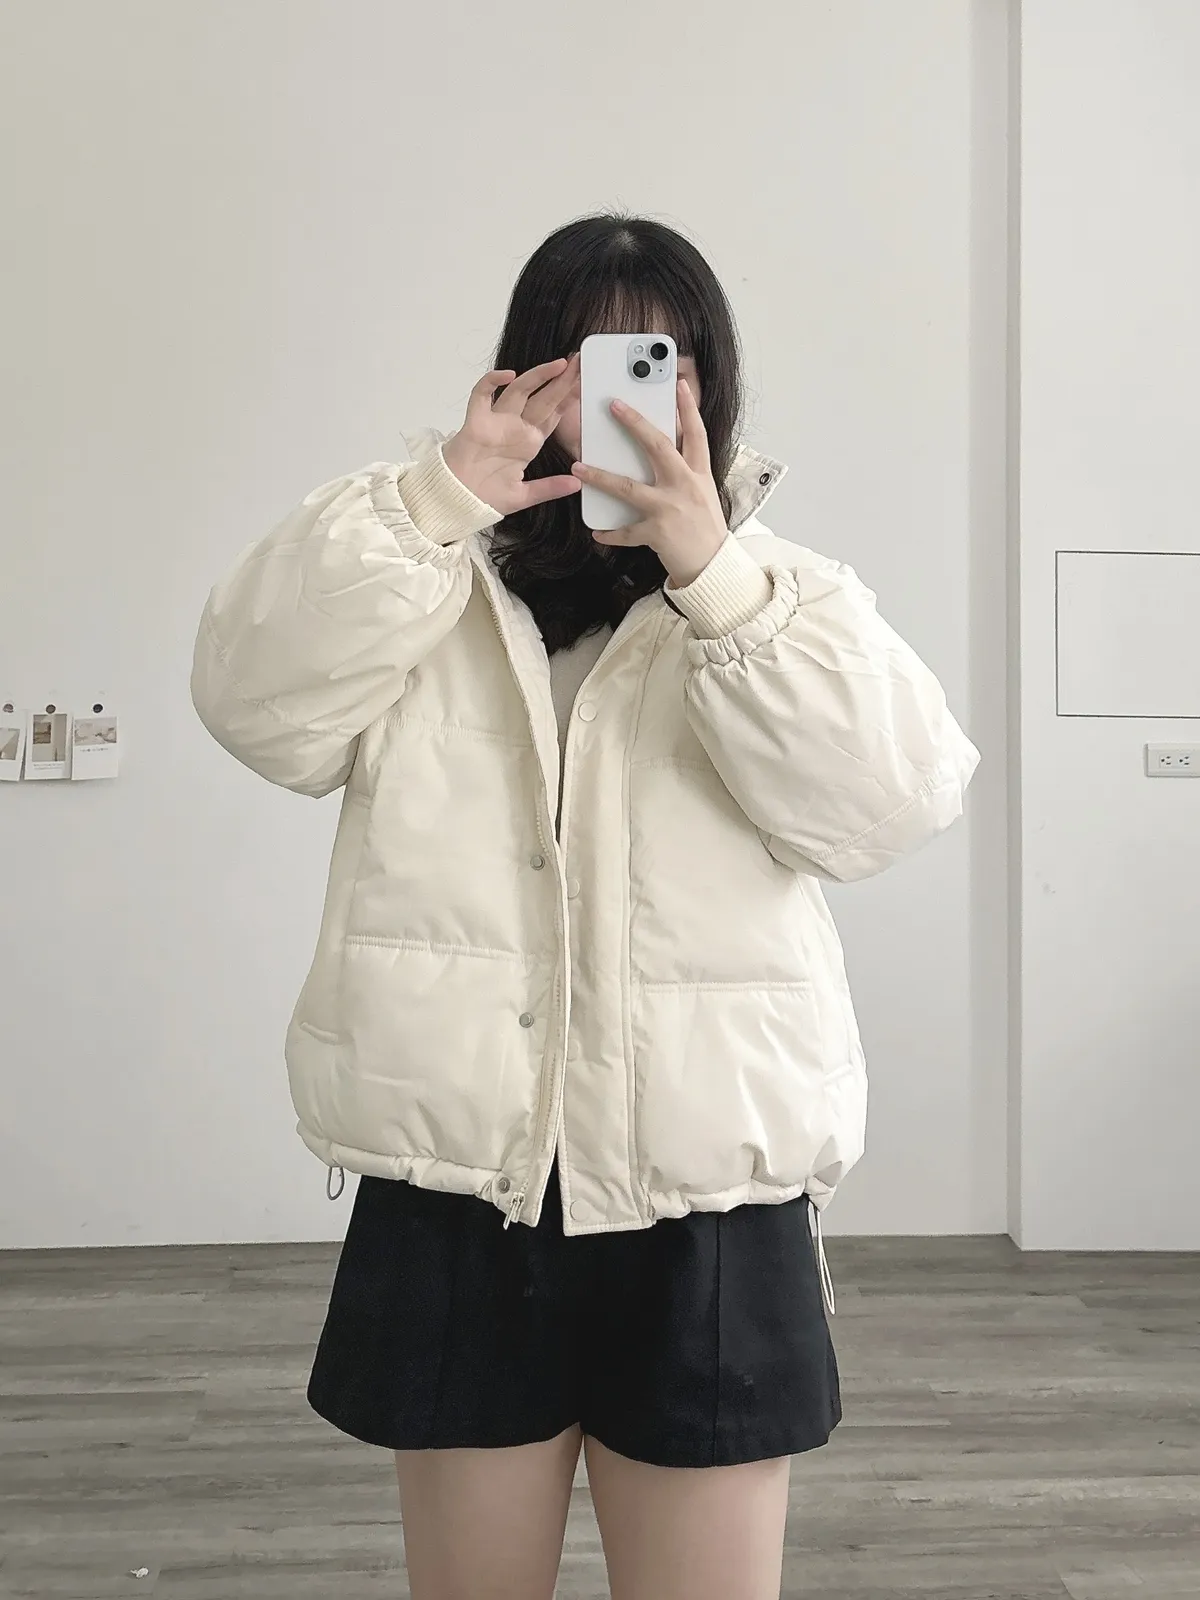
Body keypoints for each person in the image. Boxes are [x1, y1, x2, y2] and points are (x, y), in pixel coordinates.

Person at [191, 211, 980, 1600]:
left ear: (710, 386)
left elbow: (884, 808)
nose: (615, 399)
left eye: (655, 363)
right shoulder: (415, 567)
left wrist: (714, 576)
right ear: (522, 371)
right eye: (582, 357)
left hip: (705, 1195)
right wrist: (437, 500)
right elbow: (255, 707)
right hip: (461, 1181)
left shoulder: (781, 597)